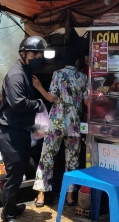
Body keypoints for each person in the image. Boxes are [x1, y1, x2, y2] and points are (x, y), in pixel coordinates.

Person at [0, 36, 49, 222]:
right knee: (15, 174)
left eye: (39, 54)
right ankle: (7, 217)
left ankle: (12, 206)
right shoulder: (16, 75)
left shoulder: (26, 72)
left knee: (20, 172)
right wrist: (37, 104)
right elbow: (18, 103)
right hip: (10, 132)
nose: (37, 57)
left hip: (21, 131)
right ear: (22, 54)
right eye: (34, 53)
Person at [33, 50, 87, 208]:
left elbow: (52, 98)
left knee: (47, 157)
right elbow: (86, 102)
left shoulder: (58, 74)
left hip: (57, 122)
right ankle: (70, 196)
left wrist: (38, 86)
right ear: (77, 62)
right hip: (74, 124)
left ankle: (41, 195)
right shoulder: (83, 78)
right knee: (72, 159)